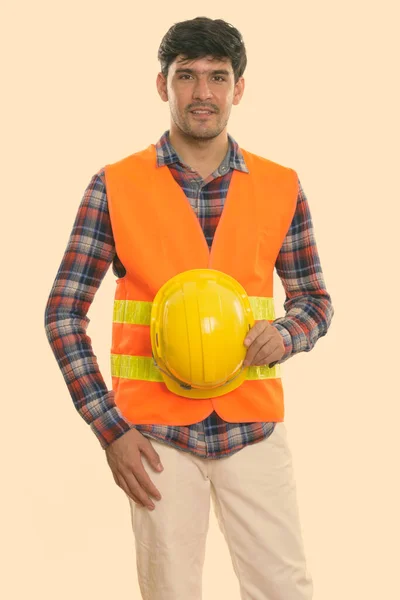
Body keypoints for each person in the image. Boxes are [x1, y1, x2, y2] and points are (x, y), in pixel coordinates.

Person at [44, 16, 334, 600]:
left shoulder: (282, 185)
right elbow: (62, 312)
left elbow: (314, 301)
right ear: (163, 85)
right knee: (170, 591)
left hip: (252, 427)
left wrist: (288, 332)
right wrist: (110, 430)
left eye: (218, 77)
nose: (203, 93)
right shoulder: (114, 185)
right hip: (153, 439)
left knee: (285, 588)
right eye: (187, 77)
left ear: (239, 88)